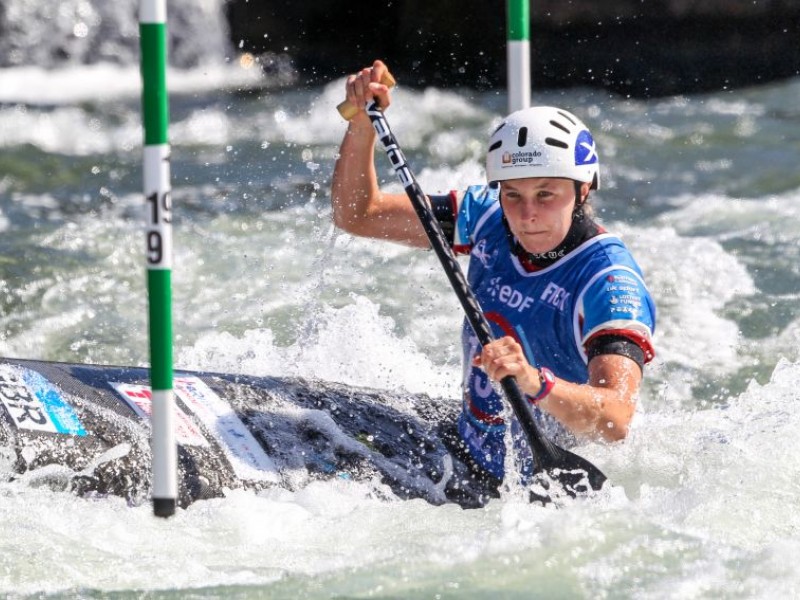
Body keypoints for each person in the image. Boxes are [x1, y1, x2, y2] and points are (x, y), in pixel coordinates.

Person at [330, 60, 656, 490]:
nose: (527, 215)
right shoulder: (486, 217)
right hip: (467, 450)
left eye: (546, 195)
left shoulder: (609, 282)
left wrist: (532, 381)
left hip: (537, 485)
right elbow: (358, 215)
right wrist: (363, 122)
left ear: (582, 190)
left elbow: (615, 419)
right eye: (513, 194)